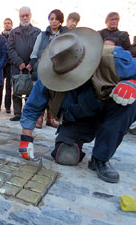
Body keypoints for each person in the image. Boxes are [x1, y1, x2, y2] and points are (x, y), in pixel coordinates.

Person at [19, 27, 136, 184]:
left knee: (129, 102)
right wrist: (26, 138)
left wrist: (132, 83)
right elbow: (33, 105)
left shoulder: (113, 59)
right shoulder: (51, 70)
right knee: (66, 157)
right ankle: (73, 144)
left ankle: (100, 159)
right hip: (76, 118)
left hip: (108, 114)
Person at [30, 9, 68, 129]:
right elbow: (34, 52)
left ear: (60, 21)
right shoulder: (42, 35)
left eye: (56, 19)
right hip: (43, 69)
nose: (54, 21)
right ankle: (39, 117)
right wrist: (34, 63)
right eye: (51, 19)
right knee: (42, 93)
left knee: (54, 94)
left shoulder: (64, 36)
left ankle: (50, 118)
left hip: (57, 70)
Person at [8, 6, 41, 121]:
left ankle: (28, 113)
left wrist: (32, 63)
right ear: (19, 17)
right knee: (16, 90)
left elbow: (39, 49)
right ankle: (17, 113)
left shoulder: (37, 32)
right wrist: (19, 62)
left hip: (32, 67)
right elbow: (10, 49)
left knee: (30, 91)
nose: (25, 18)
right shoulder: (13, 32)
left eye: (27, 15)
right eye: (22, 16)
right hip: (18, 67)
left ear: (30, 16)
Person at [0, 17, 13, 114]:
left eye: (9, 23)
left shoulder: (14, 34)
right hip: (1, 63)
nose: (7, 24)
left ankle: (8, 107)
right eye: (5, 23)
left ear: (11, 24)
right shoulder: (0, 36)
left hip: (10, 64)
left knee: (9, 87)